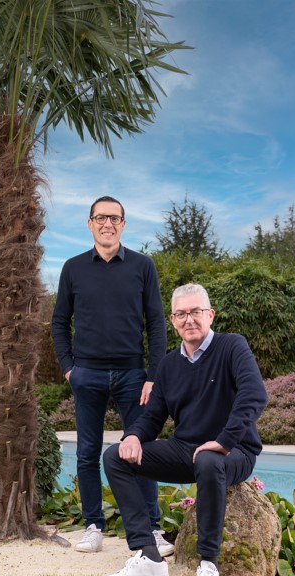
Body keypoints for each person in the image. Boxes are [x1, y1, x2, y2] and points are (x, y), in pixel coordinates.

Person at [102, 283, 268, 576]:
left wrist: (224, 441)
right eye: (181, 314)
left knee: (208, 460)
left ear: (210, 315)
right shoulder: (168, 364)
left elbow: (254, 394)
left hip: (234, 451)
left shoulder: (232, 346)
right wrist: (133, 436)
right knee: (115, 456)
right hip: (186, 451)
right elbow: (153, 417)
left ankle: (208, 566)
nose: (189, 319)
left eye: (195, 312)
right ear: (173, 320)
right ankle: (148, 557)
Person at [51, 196, 171, 556]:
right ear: (90, 223)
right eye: (101, 218)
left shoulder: (142, 266)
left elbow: (157, 323)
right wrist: (69, 368)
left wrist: (153, 376)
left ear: (123, 224)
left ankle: (152, 528)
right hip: (86, 373)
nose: (108, 224)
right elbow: (59, 322)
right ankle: (93, 525)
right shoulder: (73, 268)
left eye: (115, 218)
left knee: (140, 451)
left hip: (133, 374)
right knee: (87, 453)